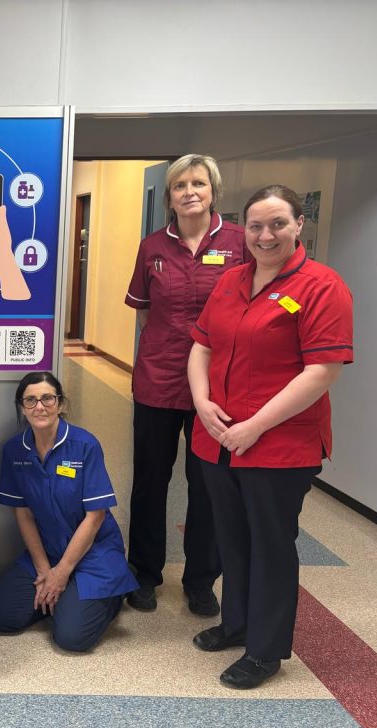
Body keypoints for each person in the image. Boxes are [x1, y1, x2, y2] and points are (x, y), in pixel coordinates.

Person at [188, 185, 353, 689]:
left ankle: (265, 649)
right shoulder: (232, 281)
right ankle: (237, 623)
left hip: (278, 447)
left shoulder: (322, 286)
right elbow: (202, 346)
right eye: (256, 225)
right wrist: (201, 401)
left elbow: (321, 371)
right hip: (216, 436)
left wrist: (254, 426)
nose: (265, 235)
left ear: (299, 225)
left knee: (271, 545)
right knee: (231, 537)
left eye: (277, 224)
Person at [123, 154, 249, 615]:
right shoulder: (152, 246)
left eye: (198, 183)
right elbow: (142, 309)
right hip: (158, 379)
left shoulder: (239, 243)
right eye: (180, 185)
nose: (189, 191)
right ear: (170, 196)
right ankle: (143, 574)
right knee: (150, 482)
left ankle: (200, 580)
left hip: (217, 388)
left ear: (213, 190)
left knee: (209, 483)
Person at [0, 372, 137, 651]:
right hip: (47, 550)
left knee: (71, 638)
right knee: (2, 617)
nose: (39, 407)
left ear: (60, 403)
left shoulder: (84, 445)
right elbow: (23, 513)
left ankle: (111, 593)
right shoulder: (14, 451)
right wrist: (46, 569)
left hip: (94, 551)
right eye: (30, 400)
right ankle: (65, 597)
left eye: (47, 398)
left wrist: (62, 572)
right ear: (21, 407)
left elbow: (96, 516)